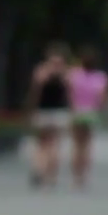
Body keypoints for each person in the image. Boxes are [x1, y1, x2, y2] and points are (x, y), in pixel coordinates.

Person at [26, 43, 74, 189]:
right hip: (60, 113)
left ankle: (39, 168)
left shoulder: (41, 72)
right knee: (54, 144)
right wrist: (71, 111)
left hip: (43, 111)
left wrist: (31, 109)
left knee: (41, 144)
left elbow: (35, 93)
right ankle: (51, 176)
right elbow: (70, 96)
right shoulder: (66, 74)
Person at [67, 47, 108, 189]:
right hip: (92, 113)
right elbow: (103, 98)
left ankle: (76, 176)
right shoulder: (101, 77)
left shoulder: (74, 75)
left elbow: (69, 95)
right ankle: (84, 175)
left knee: (76, 145)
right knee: (87, 145)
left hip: (77, 112)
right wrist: (103, 111)